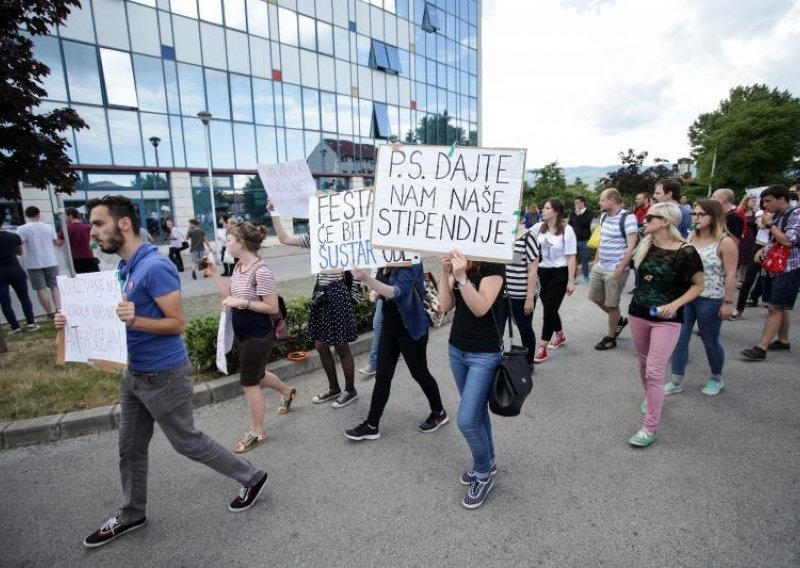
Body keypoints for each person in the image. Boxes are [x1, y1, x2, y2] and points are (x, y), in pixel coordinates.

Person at [54, 195, 268, 549]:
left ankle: (252, 476)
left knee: (186, 441)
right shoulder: (125, 267)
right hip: (133, 374)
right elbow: (112, 316)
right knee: (130, 448)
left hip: (163, 375)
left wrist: (135, 320)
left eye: (98, 224)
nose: (91, 232)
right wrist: (70, 321)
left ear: (123, 224)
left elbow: (176, 324)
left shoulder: (155, 267)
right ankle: (131, 512)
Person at [205, 222, 297, 453]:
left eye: (229, 240)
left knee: (249, 383)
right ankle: (287, 392)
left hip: (258, 334)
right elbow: (230, 294)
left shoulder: (261, 271)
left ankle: (258, 431)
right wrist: (215, 274)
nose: (226, 243)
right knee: (258, 375)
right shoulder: (238, 267)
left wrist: (242, 303)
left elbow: (271, 306)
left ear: (241, 243)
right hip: (243, 333)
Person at [627, 202, 704, 447]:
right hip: (638, 312)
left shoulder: (686, 251)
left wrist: (674, 305)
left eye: (651, 217)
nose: (644, 220)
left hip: (667, 319)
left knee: (654, 370)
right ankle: (651, 398)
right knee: (642, 363)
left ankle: (649, 428)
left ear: (665, 222)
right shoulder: (645, 244)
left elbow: (698, 285)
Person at [344, 263, 448, 441]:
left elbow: (396, 292)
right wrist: (375, 293)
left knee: (420, 373)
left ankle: (439, 412)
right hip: (389, 328)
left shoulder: (411, 262)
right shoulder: (383, 261)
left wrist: (366, 279)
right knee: (382, 376)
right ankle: (371, 425)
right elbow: (382, 289)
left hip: (412, 329)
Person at [270, 203, 359, 408]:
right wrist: (275, 213)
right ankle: (334, 387)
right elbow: (284, 238)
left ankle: (350, 390)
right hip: (320, 291)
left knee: (341, 345)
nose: (311, 223)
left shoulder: (342, 237)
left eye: (314, 219)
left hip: (337, 290)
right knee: (320, 344)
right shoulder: (315, 239)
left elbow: (355, 261)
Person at [438, 250, 505, 509]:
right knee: (477, 412)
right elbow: (446, 304)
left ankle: (483, 475)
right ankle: (488, 460)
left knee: (466, 420)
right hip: (457, 349)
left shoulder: (494, 263)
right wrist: (445, 273)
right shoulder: (459, 259)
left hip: (484, 353)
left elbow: (480, 308)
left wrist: (462, 277)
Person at [666, 199, 738, 396]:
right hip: (687, 297)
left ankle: (716, 377)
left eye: (700, 215)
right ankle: (676, 380)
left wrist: (728, 302)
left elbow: (731, 274)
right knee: (680, 340)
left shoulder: (726, 242)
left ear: (714, 216)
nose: (696, 218)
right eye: (694, 214)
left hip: (711, 298)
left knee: (710, 341)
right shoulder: (691, 237)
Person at [741, 185, 800, 361]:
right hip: (776, 266)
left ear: (781, 199)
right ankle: (783, 341)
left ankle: (761, 348)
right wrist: (764, 249)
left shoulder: (795, 214)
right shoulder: (780, 215)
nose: (765, 206)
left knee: (774, 307)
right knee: (780, 306)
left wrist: (770, 225)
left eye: (768, 201)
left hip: (789, 267)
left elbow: (788, 241)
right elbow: (777, 240)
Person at [589, 188, 638, 350]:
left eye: (602, 200)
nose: (599, 202)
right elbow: (602, 241)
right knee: (595, 298)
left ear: (612, 200)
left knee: (612, 305)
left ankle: (611, 337)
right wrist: (596, 262)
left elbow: (631, 247)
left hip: (616, 268)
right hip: (601, 266)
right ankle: (619, 320)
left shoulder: (628, 218)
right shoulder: (603, 216)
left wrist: (619, 269)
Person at [530, 199, 576, 363]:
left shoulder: (567, 230)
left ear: (556, 212)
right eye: (543, 207)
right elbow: (523, 237)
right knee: (550, 307)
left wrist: (571, 281)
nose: (543, 210)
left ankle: (542, 347)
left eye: (547, 208)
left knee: (549, 309)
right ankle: (560, 335)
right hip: (543, 273)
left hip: (560, 274)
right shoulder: (538, 228)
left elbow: (571, 256)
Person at [505, 214, 540, 365]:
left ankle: (528, 362)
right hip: (501, 294)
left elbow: (533, 269)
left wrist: (529, 298)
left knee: (524, 329)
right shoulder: (499, 234)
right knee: (497, 330)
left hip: (521, 294)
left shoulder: (528, 236)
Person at [17, 206, 63, 316]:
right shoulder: (48, 227)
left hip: (33, 263)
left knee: (40, 288)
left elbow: (20, 244)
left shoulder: (22, 229)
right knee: (54, 286)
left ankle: (48, 313)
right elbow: (57, 242)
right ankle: (59, 309)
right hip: (51, 261)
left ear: (26, 215)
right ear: (38, 214)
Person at [0, 217, 39, 333]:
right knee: (24, 297)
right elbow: (20, 252)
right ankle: (31, 323)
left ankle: (15, 326)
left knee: (4, 301)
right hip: (15, 268)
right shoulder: (14, 236)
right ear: (2, 223)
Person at [59, 208, 99, 274]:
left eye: (65, 216)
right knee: (95, 277)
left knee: (82, 279)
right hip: (90, 257)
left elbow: (59, 243)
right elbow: (95, 242)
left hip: (75, 259)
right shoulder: (88, 227)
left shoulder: (66, 228)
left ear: (70, 216)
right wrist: (91, 249)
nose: (64, 218)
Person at [568, 196, 593, 284]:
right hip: (573, 240)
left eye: (577, 202)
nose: (576, 204)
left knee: (584, 260)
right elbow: (570, 224)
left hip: (584, 240)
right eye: (575, 203)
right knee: (573, 259)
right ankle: (573, 278)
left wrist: (579, 214)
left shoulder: (588, 212)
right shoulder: (573, 213)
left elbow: (586, 223)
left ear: (583, 203)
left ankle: (586, 277)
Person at [358, 289, 382, 377]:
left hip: (390, 286)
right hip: (382, 286)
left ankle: (373, 363)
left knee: (378, 323)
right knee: (388, 320)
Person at [736, 194, 758, 283]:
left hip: (751, 237)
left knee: (747, 258)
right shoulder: (740, 211)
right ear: (746, 201)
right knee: (741, 257)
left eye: (755, 201)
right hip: (742, 236)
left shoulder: (755, 212)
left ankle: (743, 278)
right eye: (752, 201)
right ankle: (740, 278)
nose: (754, 203)